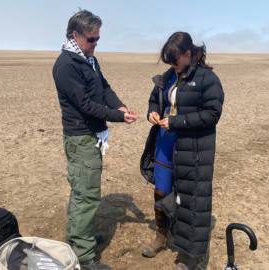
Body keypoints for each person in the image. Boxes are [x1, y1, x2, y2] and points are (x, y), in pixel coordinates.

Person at [52, 10, 137, 270]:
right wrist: (117, 117)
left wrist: (119, 106)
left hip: (91, 137)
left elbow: (104, 87)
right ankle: (84, 256)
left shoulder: (88, 59)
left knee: (84, 193)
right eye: (91, 40)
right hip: (81, 137)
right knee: (86, 196)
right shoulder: (66, 66)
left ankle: (80, 239)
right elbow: (86, 105)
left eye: (98, 39)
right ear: (75, 35)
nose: (95, 44)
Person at [140, 32, 224, 270]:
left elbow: (212, 115)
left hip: (192, 149)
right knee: (161, 191)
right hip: (165, 145)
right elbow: (155, 99)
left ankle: (192, 257)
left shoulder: (208, 79)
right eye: (170, 63)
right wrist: (152, 112)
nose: (173, 67)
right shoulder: (168, 77)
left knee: (192, 200)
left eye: (176, 62)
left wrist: (176, 122)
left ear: (189, 54)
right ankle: (162, 236)